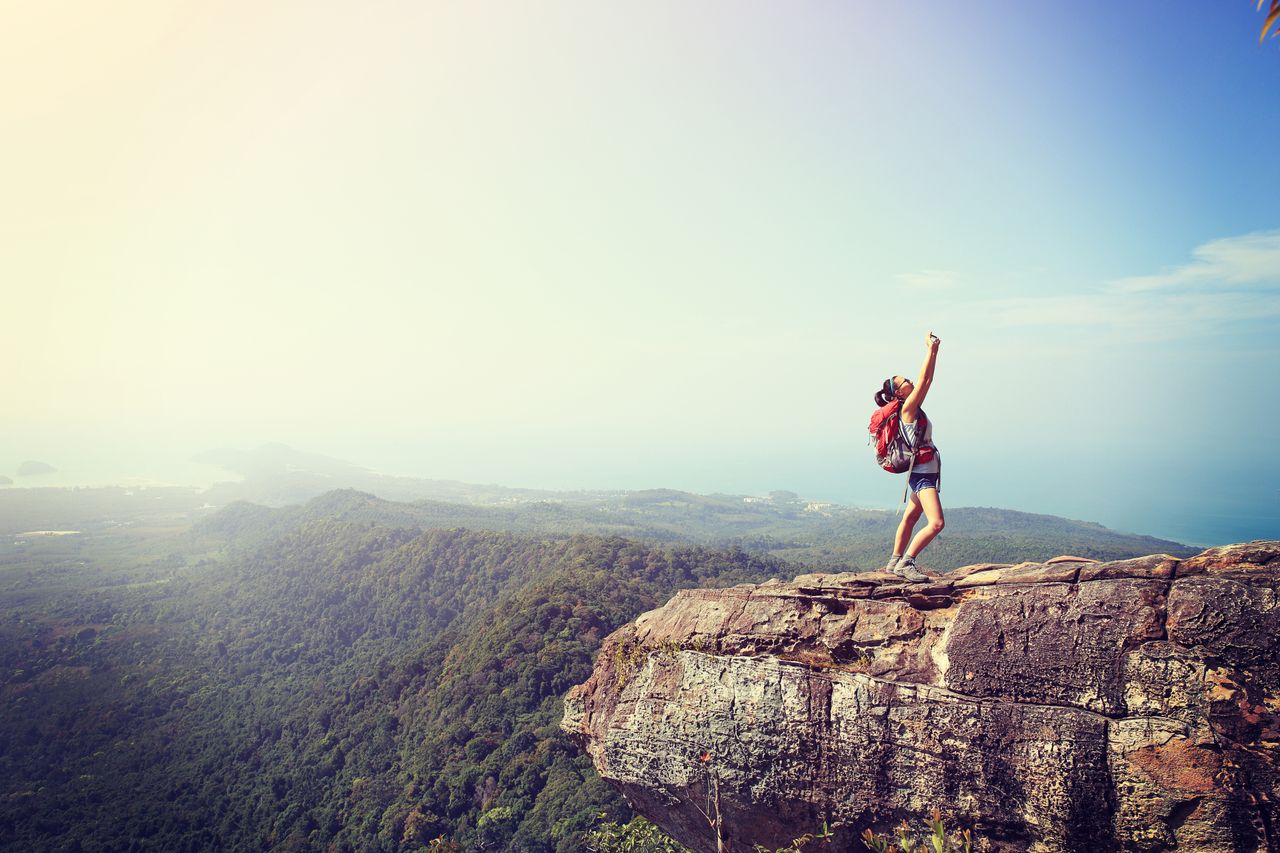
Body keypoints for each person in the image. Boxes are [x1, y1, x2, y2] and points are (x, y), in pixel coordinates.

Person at [875, 332, 943, 582]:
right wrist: (931, 350)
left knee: (911, 517)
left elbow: (922, 381)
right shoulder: (908, 409)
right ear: (899, 394)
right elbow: (926, 380)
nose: (910, 381)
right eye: (904, 381)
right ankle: (907, 562)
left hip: (923, 472)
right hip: (923, 475)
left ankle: (894, 561)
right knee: (936, 523)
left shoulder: (909, 408)